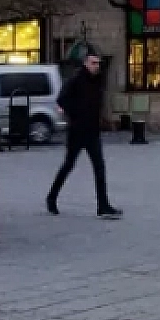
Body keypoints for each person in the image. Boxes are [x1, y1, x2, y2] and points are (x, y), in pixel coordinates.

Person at [46, 51, 121, 219]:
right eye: (93, 63)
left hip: (92, 131)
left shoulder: (97, 81)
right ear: (86, 63)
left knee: (99, 168)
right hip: (77, 131)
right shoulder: (75, 80)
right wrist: (75, 115)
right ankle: (52, 197)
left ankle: (103, 206)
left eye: (98, 63)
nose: (97, 66)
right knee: (68, 165)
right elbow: (61, 100)